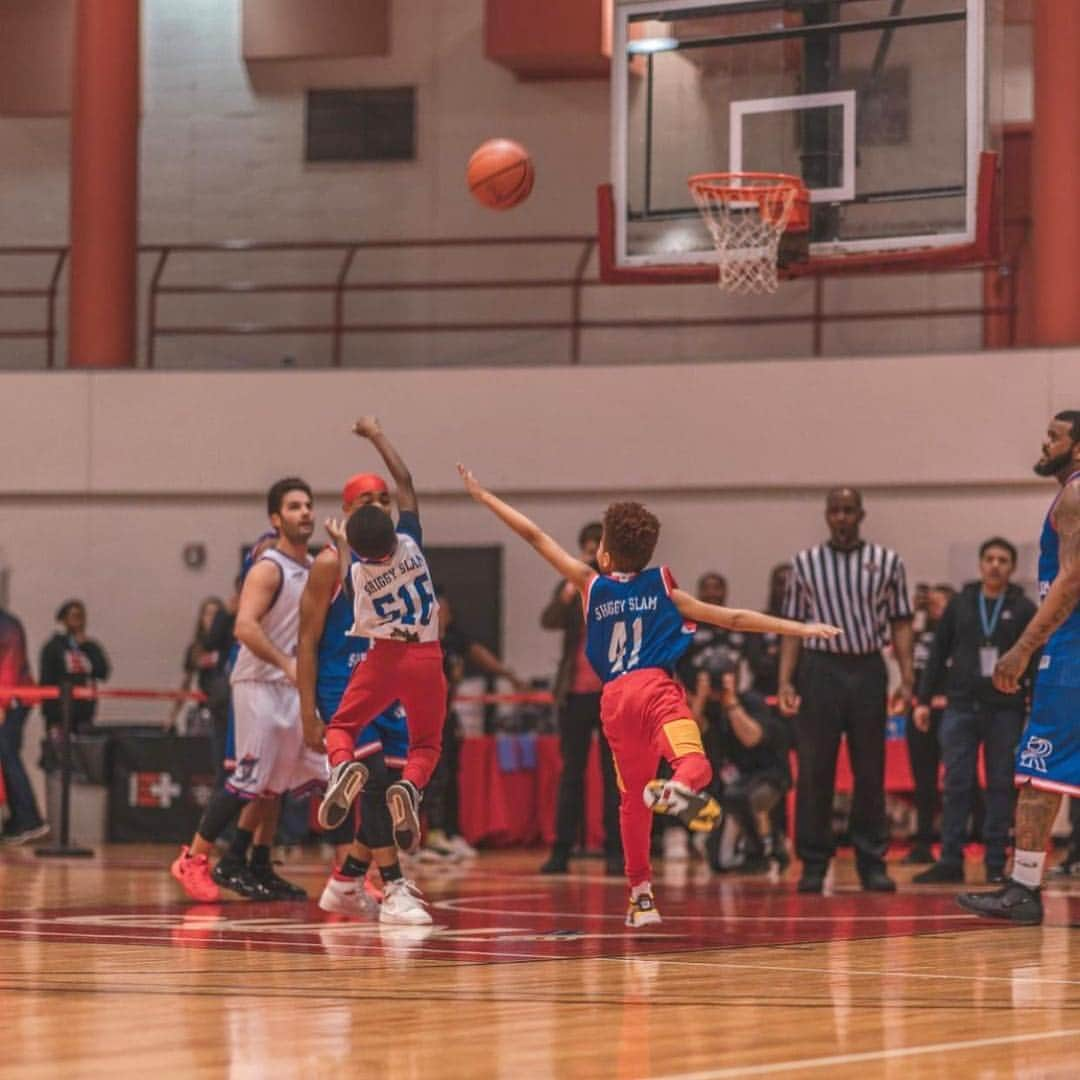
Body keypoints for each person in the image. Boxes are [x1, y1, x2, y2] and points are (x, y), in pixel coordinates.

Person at [457, 463, 839, 927]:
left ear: (604, 553)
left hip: (615, 701)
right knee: (693, 762)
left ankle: (641, 897)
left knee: (631, 800)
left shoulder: (589, 584)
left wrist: (481, 496)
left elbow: (535, 536)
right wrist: (799, 627)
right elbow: (734, 619)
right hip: (656, 691)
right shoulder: (665, 591)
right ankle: (678, 790)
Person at [171, 477, 326, 903]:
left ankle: (257, 862)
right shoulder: (268, 567)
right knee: (247, 779)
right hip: (258, 681)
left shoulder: (313, 567)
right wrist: (285, 662)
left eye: (309, 505)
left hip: (292, 685)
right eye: (294, 506)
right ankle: (193, 857)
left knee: (275, 786)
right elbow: (244, 626)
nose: (305, 512)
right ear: (276, 518)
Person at [960, 412, 1080, 924]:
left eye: (1054, 435)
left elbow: (1073, 581)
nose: (1044, 442)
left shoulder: (1075, 494)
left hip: (1071, 657)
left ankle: (1024, 886)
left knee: (1039, 771)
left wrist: (1024, 648)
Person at [298, 467, 431, 926]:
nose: (377, 505)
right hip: (342, 683)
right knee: (373, 778)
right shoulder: (329, 564)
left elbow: (409, 487)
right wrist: (307, 713)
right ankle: (394, 885)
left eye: (382, 498)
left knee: (391, 787)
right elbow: (306, 643)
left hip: (387, 683)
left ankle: (346, 880)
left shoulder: (402, 556)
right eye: (366, 500)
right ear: (347, 510)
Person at [317, 418, 447, 857]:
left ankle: (341, 769)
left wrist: (340, 544)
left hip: (383, 661)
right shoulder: (411, 542)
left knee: (342, 727)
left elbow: (349, 585)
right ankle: (409, 789)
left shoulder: (357, 572)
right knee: (426, 743)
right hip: (426, 659)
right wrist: (375, 434)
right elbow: (405, 480)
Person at [778, 487, 914, 894]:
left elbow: (902, 622)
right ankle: (814, 863)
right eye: (835, 511)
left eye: (848, 510)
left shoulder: (888, 562)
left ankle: (872, 861)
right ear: (826, 516)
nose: (841, 517)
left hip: (868, 667)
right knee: (815, 770)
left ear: (861, 514)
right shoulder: (804, 563)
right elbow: (791, 626)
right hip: (820, 669)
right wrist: (785, 679)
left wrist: (906, 678)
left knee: (870, 771)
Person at [912, 539, 1035, 885]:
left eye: (1003, 560)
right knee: (956, 782)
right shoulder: (961, 604)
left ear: (1012, 568)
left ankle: (996, 862)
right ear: (980, 565)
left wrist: (1035, 710)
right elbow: (938, 653)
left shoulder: (1023, 608)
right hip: (961, 705)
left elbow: (1036, 660)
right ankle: (950, 858)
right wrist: (923, 700)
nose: (996, 565)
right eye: (990, 559)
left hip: (1005, 709)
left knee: (999, 784)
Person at [539, 522, 623, 876]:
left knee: (612, 776)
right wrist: (570, 590)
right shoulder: (571, 583)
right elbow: (549, 620)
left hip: (612, 694)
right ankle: (561, 850)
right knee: (571, 774)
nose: (591, 551)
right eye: (586, 546)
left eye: (597, 545)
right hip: (574, 694)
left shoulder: (621, 586)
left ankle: (616, 851)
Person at [422, 587, 525, 860]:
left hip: (447, 715)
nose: (442, 613)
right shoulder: (419, 639)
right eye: (437, 608)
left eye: (445, 609)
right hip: (421, 718)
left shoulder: (455, 640)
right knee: (429, 775)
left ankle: (449, 833)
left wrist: (508, 674)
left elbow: (478, 654)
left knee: (450, 773)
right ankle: (425, 837)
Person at [688, 662, 791, 873]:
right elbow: (690, 735)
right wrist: (700, 698)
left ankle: (765, 847)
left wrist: (732, 703)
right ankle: (750, 845)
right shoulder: (710, 708)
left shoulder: (752, 701)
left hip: (767, 775)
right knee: (719, 861)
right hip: (732, 783)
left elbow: (751, 738)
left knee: (743, 797)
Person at [903, 582, 955, 865]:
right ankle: (922, 842)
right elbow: (900, 650)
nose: (935, 607)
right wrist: (914, 612)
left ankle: (955, 841)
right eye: (931, 603)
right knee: (923, 781)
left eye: (941, 602)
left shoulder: (960, 634)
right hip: (921, 711)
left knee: (957, 780)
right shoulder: (919, 632)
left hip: (952, 712)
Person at [0, 605, 48, 845]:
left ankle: (30, 820)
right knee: (7, 756)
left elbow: (9, 664)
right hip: (10, 698)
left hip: (14, 699)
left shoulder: (6, 624)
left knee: (7, 754)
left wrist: (2, 703)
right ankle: (19, 820)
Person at [39, 600, 110, 733]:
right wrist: (49, 713)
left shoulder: (91, 647)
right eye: (73, 616)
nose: (78, 622)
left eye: (81, 617)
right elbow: (46, 679)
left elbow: (103, 672)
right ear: (64, 620)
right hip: (59, 712)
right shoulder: (54, 647)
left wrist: (87, 647)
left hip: (84, 711)